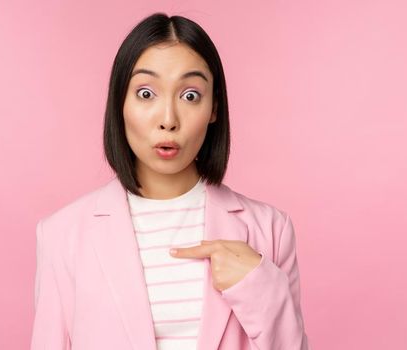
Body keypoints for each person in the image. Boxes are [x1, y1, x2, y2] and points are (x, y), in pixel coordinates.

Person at [30, 12, 309, 350]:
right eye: (146, 93)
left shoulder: (271, 229)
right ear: (120, 102)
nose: (168, 120)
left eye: (190, 95)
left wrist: (261, 289)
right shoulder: (62, 235)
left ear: (214, 108)